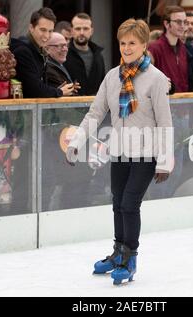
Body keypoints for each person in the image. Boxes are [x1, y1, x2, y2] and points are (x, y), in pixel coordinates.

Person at [65, 18, 173, 285]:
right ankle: (117, 253)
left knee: (129, 203)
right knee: (117, 203)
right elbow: (96, 113)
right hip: (121, 151)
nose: (126, 48)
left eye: (132, 43)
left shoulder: (156, 80)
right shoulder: (112, 77)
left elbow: (165, 121)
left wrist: (165, 161)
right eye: (123, 43)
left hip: (146, 153)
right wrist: (77, 141)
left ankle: (130, 257)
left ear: (144, 45)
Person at [10, 8, 75, 98]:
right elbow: (35, 90)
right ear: (31, 28)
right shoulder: (23, 52)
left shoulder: (37, 50)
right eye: (43, 30)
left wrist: (55, 90)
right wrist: (59, 92)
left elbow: (37, 87)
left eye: (50, 31)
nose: (47, 36)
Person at [148, 5, 189, 92]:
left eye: (185, 22)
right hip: (162, 101)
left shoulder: (183, 48)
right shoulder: (154, 49)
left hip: (183, 101)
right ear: (166, 24)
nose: (183, 26)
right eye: (178, 22)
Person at [64, 13, 106, 96]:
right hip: (70, 106)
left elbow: (103, 85)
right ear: (72, 31)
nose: (82, 32)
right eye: (78, 29)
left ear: (91, 31)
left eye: (86, 29)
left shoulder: (98, 56)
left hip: (95, 106)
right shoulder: (64, 54)